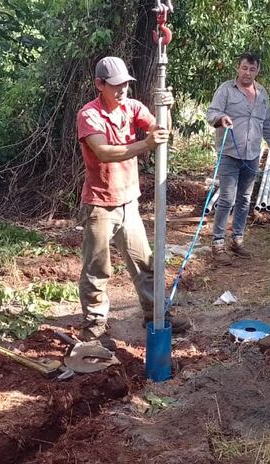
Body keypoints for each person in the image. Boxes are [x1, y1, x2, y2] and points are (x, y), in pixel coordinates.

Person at [75, 56, 188, 341]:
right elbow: (103, 152)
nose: (122, 89)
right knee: (97, 269)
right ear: (99, 84)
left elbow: (160, 132)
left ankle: (156, 315)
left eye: (125, 83)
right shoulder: (89, 115)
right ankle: (94, 326)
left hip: (129, 202)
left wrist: (165, 110)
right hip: (100, 204)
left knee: (144, 264)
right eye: (115, 85)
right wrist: (145, 144)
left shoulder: (132, 107)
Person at [205, 52, 270, 265]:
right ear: (237, 68)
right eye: (244, 68)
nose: (247, 73)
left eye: (252, 69)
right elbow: (211, 113)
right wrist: (221, 117)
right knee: (226, 198)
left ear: (257, 71)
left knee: (244, 199)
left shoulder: (262, 93)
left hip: (252, 155)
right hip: (229, 153)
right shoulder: (225, 90)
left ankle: (237, 240)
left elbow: (267, 123)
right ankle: (218, 244)